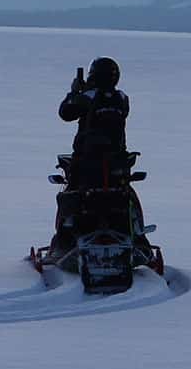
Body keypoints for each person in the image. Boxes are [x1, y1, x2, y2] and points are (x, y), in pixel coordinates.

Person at [49, 56, 133, 251]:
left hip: (87, 162)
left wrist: (74, 91)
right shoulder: (122, 98)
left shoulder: (89, 96)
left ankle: (65, 237)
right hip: (116, 163)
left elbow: (65, 113)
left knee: (71, 191)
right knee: (124, 193)